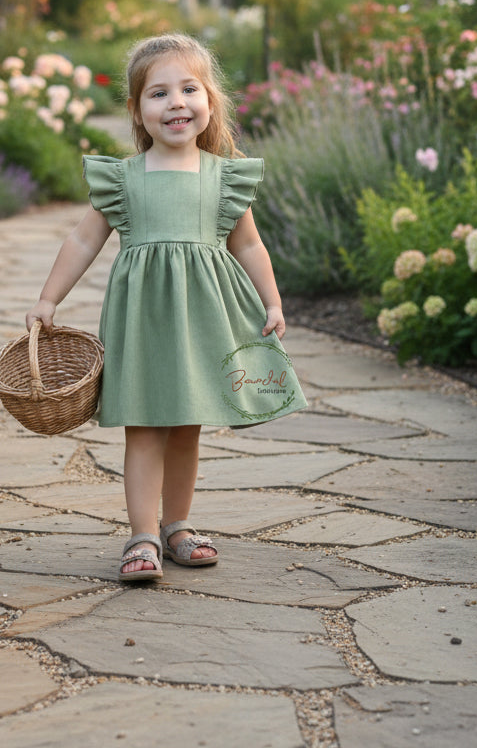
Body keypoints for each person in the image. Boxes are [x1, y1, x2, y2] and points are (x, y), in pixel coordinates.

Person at [25, 33, 306, 582]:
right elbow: (83, 241)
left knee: (186, 426)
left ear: (209, 102)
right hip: (143, 322)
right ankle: (142, 536)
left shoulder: (224, 177)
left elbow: (248, 244)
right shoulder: (124, 179)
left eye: (188, 89)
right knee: (144, 427)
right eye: (158, 93)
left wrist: (271, 300)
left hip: (201, 320)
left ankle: (177, 525)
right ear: (136, 110)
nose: (176, 103)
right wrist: (47, 298)